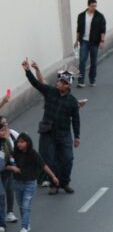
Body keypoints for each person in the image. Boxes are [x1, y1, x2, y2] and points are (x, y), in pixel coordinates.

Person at [22, 60, 79, 194]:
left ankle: (65, 182)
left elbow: (76, 120)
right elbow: (36, 83)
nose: (57, 83)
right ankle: (54, 184)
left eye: (60, 82)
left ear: (67, 85)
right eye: (58, 81)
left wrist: (77, 136)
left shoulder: (72, 101)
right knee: (49, 159)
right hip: (47, 133)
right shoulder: (50, 92)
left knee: (68, 159)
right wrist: (27, 71)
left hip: (64, 134)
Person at [6, 133, 59, 232]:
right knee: (21, 206)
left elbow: (43, 166)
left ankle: (24, 228)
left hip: (30, 183)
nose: (19, 144)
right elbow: (6, 164)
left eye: (22, 142)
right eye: (18, 142)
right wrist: (12, 168)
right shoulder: (14, 154)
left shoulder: (33, 154)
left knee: (26, 206)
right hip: (17, 183)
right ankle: (26, 223)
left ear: (28, 143)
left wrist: (53, 177)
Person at [74, 0, 106, 88]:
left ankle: (92, 79)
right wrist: (76, 41)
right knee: (82, 61)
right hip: (84, 41)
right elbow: (78, 29)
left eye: (95, 6)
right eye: (92, 6)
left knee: (93, 62)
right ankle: (81, 81)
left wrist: (102, 41)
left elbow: (102, 30)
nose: (94, 8)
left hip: (95, 42)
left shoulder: (100, 16)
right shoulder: (81, 16)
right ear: (88, 5)